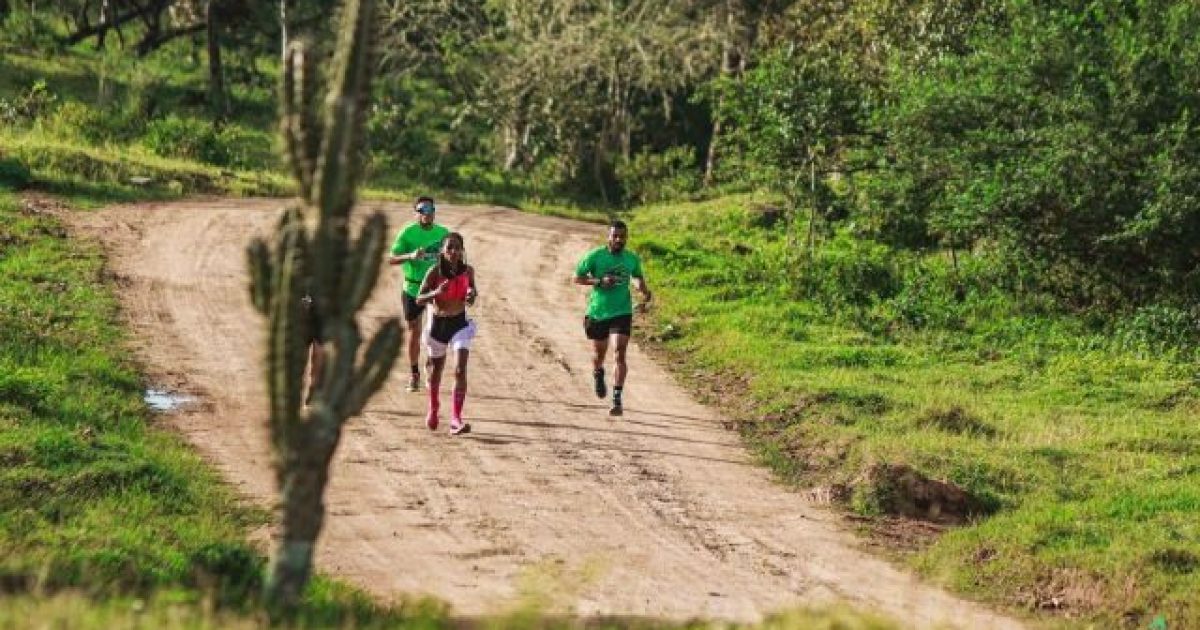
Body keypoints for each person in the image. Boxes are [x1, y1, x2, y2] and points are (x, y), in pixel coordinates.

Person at [573, 220, 652, 416]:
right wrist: (599, 281)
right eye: (615, 236)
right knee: (599, 355)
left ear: (626, 238)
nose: (618, 239)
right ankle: (598, 373)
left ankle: (617, 398)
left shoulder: (631, 258)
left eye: (622, 236)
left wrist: (642, 289)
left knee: (620, 352)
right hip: (598, 312)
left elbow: (636, 276)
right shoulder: (595, 256)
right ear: (608, 236)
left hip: (622, 311)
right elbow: (577, 277)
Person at [415, 232, 478, 435]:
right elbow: (419, 299)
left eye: (457, 247)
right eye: (449, 247)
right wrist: (435, 293)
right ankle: (433, 408)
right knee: (436, 372)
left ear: (462, 250)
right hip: (439, 325)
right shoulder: (434, 271)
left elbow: (472, 295)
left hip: (459, 323)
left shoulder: (468, 271)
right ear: (442, 251)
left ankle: (455, 419)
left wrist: (471, 295)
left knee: (460, 370)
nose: (453, 251)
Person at [387, 196, 450, 392]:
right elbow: (391, 259)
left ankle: (431, 362)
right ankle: (414, 374)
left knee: (437, 331)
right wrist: (410, 256)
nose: (427, 213)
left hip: (436, 288)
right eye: (422, 209)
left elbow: (455, 257)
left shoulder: (443, 233)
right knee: (414, 331)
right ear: (416, 212)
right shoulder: (408, 233)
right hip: (413, 288)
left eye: (430, 209)